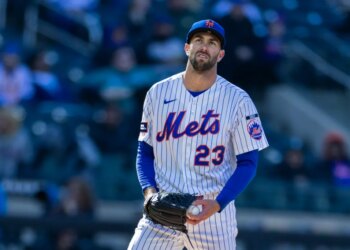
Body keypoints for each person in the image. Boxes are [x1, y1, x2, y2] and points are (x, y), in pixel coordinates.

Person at [128, 19, 269, 249]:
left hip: (214, 216)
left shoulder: (238, 100)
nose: (205, 46)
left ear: (220, 54)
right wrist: (149, 194)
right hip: (163, 212)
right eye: (198, 40)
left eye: (212, 42)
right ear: (187, 48)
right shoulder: (158, 92)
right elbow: (145, 151)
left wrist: (218, 203)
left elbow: (248, 162)